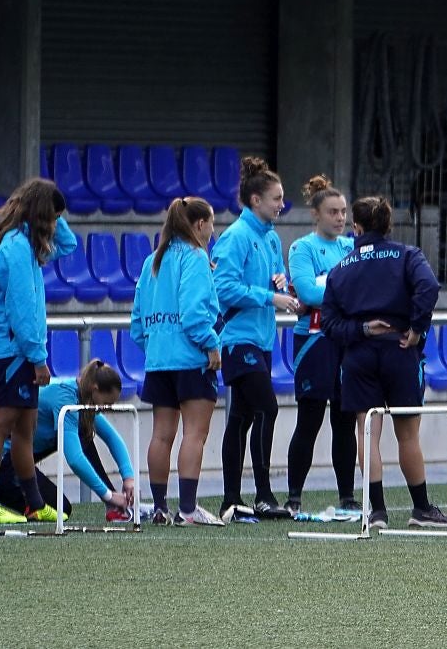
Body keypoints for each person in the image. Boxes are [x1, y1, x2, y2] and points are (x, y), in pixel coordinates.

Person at [321, 195, 447, 530]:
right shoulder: (408, 255)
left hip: (359, 354)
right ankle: (421, 509)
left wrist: (361, 328)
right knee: (408, 435)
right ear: (389, 225)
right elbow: (429, 287)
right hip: (400, 350)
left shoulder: (340, 269)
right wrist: (417, 329)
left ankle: (376, 511)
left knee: (368, 432)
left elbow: (330, 325)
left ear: (357, 227)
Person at [212, 156, 302, 523]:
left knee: (241, 417)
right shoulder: (236, 237)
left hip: (261, 341)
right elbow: (223, 287)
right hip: (238, 339)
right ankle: (263, 495)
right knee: (267, 408)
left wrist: (283, 286)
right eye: (276, 198)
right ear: (255, 201)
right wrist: (269, 297)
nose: (282, 204)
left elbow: (274, 279)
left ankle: (231, 499)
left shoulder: (270, 238)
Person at [135, 196, 225, 526]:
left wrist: (155, 346)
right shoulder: (196, 257)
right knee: (194, 434)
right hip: (191, 358)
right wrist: (212, 345)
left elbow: (136, 321)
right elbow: (193, 314)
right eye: (212, 223)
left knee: (161, 435)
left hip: (159, 360)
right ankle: (187, 509)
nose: (213, 231)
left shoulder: (152, 261)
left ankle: (159, 508)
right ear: (200, 224)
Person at [0, 179, 74, 524]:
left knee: (23, 429)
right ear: (40, 216)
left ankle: (35, 504)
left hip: (18, 350)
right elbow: (21, 310)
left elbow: (68, 245)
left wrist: (51, 207)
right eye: (53, 218)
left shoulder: (24, 241)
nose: (56, 226)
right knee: (1, 425)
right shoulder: (17, 248)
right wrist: (38, 358)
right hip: (14, 351)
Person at [283, 175, 359, 518]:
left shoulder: (351, 247)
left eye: (343, 211)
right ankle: (294, 495)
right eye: (333, 212)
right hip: (313, 341)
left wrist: (327, 285)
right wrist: (340, 288)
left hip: (345, 340)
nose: (340, 218)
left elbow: (362, 291)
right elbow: (308, 294)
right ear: (316, 214)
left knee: (345, 419)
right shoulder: (302, 248)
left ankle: (347, 497)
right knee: (310, 418)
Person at [0, 359, 137, 520]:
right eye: (106, 403)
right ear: (95, 389)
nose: (106, 409)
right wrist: (108, 494)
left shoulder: (83, 395)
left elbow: (112, 438)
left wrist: (129, 478)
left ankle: (114, 506)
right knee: (62, 509)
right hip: (4, 465)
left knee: (84, 432)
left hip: (19, 462)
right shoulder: (66, 400)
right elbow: (75, 458)